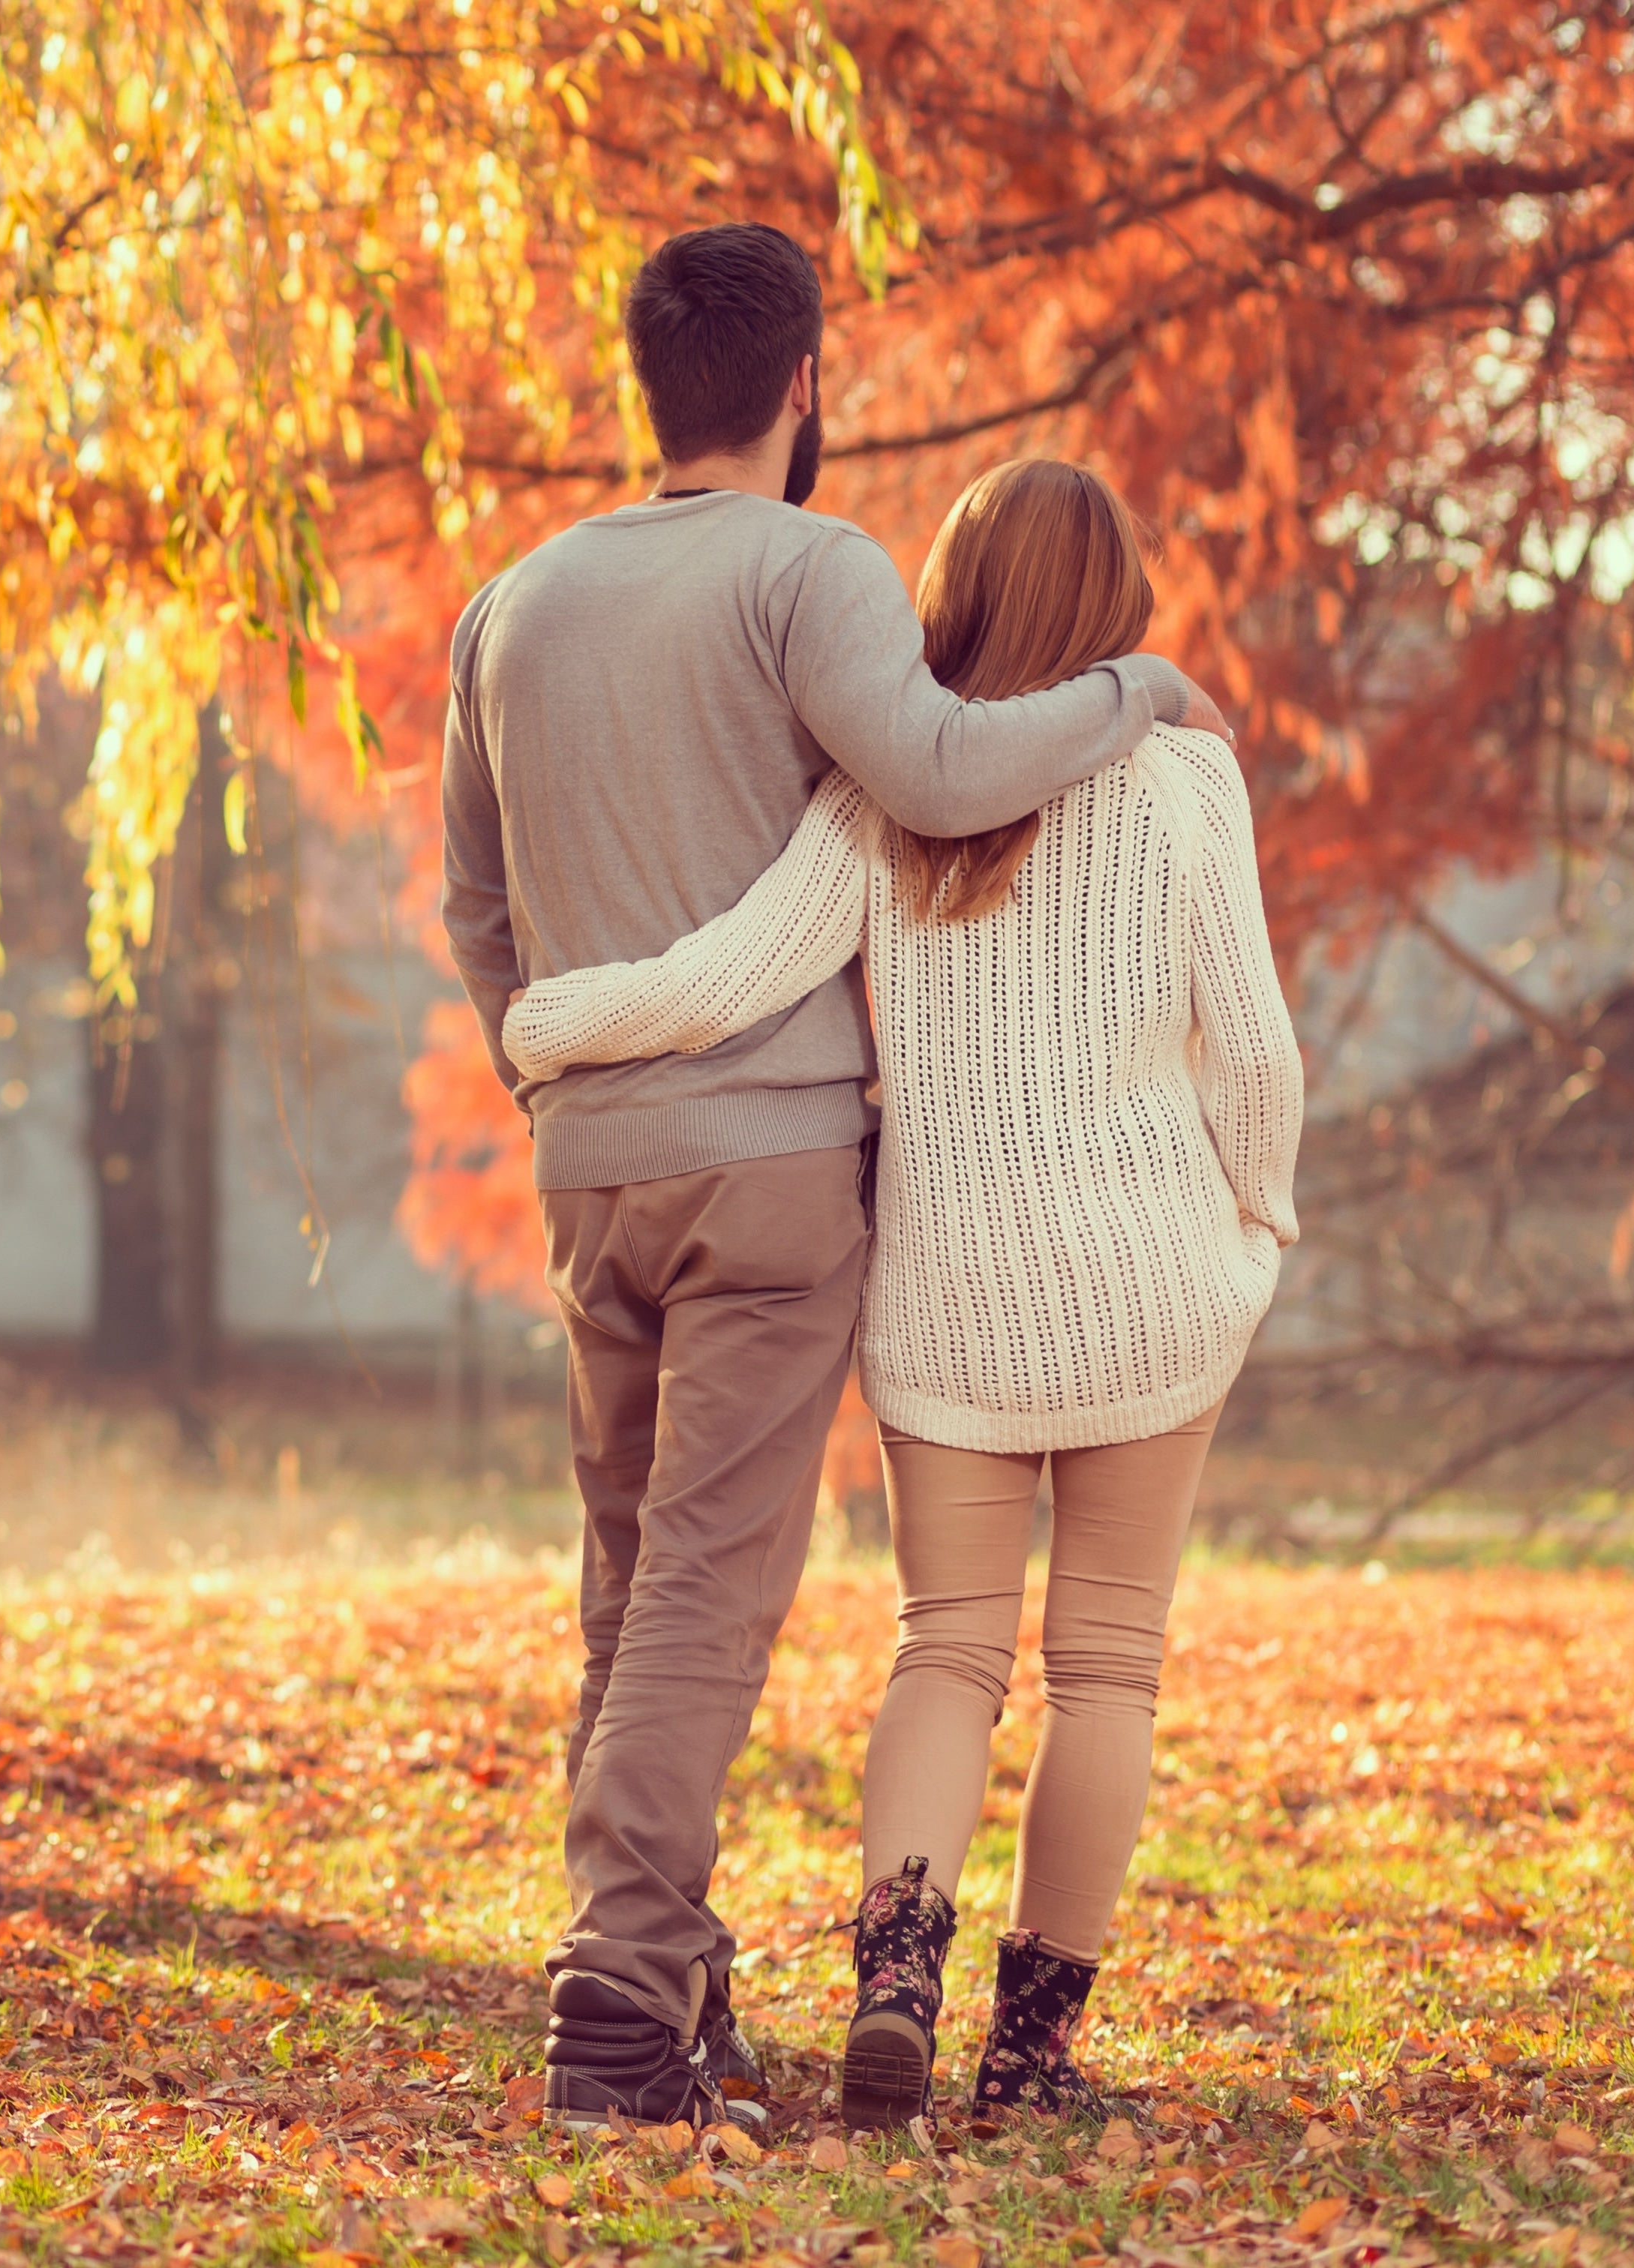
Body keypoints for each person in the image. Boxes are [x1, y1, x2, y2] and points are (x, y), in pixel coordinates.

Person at [440, 222, 1232, 2134]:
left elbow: (480, 911)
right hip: (771, 1167)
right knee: (707, 1590)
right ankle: (620, 1997)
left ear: (653, 384)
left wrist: (551, 1083)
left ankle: (670, 1967)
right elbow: (945, 774)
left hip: (591, 1166)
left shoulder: (510, 607)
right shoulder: (811, 569)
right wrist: (1139, 693)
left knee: (628, 1580)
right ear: (803, 384)